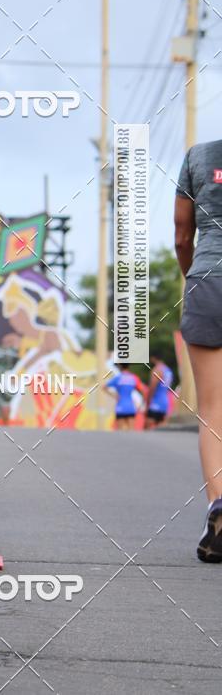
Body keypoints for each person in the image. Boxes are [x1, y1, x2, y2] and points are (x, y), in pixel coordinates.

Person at [175, 140, 222, 562]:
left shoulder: (198, 158)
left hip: (208, 281)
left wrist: (192, 275)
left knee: (212, 409)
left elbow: (182, 233)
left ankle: (219, 504)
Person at [103, 363, 146, 431]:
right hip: (130, 407)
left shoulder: (118, 378)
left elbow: (104, 387)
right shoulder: (134, 377)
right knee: (131, 431)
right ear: (128, 366)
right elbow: (143, 391)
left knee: (121, 432)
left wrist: (114, 395)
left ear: (120, 367)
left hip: (120, 406)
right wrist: (141, 405)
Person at [144, 353, 173, 430]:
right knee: (161, 430)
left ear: (153, 358)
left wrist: (148, 400)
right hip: (165, 402)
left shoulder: (157, 369)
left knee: (147, 427)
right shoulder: (168, 370)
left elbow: (152, 387)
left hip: (155, 402)